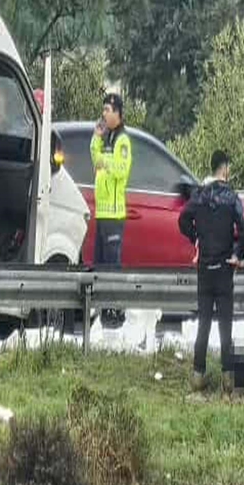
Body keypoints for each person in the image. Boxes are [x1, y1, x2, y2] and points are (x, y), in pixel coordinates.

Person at [178, 150, 244, 391]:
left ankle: (198, 375)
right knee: (225, 324)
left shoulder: (200, 196)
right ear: (225, 168)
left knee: (204, 323)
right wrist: (237, 254)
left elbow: (183, 220)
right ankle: (228, 379)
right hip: (224, 268)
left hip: (205, 267)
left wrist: (196, 237)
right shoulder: (231, 197)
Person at [90, 92, 132, 325]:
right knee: (100, 264)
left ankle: (114, 313)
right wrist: (96, 138)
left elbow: (121, 170)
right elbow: (94, 158)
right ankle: (102, 310)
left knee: (112, 267)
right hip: (102, 211)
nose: (104, 114)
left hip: (115, 213)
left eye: (108, 110)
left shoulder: (122, 140)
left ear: (118, 113)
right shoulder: (107, 137)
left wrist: (105, 161)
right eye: (103, 109)